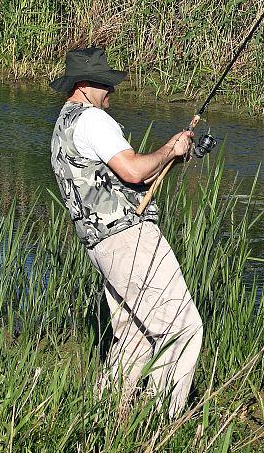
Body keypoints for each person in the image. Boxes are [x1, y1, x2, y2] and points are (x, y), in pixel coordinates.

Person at [49, 45, 203, 417]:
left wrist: (170, 156)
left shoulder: (63, 127)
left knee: (134, 338)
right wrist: (169, 149)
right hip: (129, 240)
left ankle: (104, 419)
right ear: (86, 85)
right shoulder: (92, 120)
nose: (111, 92)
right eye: (105, 85)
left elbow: (127, 178)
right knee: (183, 327)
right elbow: (134, 171)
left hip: (101, 246)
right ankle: (161, 423)